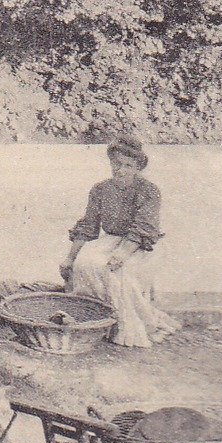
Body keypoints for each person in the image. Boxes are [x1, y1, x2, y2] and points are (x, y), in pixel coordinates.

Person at [61, 136, 180, 348]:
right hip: (112, 240)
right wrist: (70, 258)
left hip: (143, 244)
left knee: (120, 273)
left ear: (138, 168)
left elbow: (144, 228)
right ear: (110, 163)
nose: (121, 170)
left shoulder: (149, 191)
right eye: (117, 163)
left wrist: (123, 254)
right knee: (84, 264)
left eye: (128, 165)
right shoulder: (100, 189)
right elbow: (89, 226)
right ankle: (96, 322)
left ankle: (129, 327)